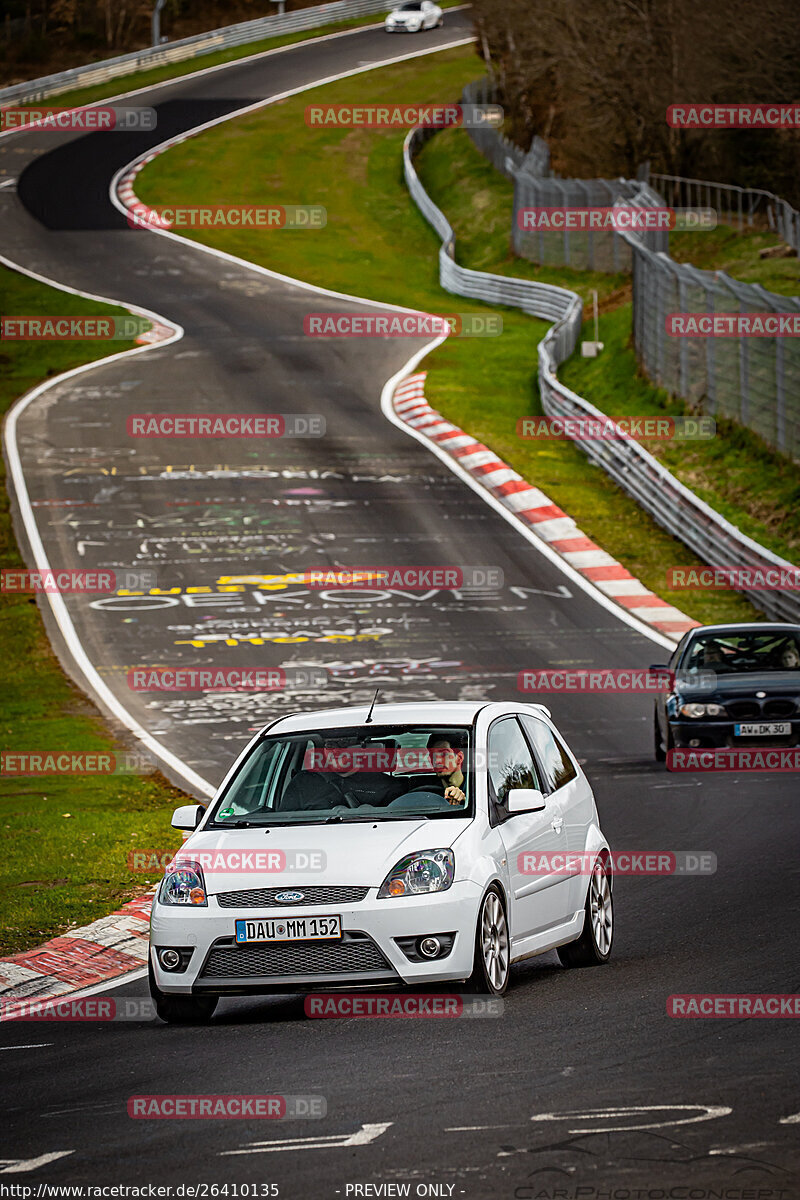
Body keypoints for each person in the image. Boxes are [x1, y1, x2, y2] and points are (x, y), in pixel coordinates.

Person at [406, 732, 467, 806]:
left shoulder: (477, 787)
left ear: (459, 758)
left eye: (444, 754)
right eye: (433, 755)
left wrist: (465, 801)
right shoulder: (425, 791)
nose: (436, 761)